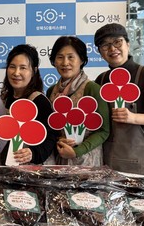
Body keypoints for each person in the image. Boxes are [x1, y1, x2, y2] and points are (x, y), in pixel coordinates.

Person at [94, 23, 144, 175]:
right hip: (108, 162)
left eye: (117, 42)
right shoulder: (101, 80)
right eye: (105, 45)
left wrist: (133, 117)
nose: (112, 48)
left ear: (127, 44)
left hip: (142, 164)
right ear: (100, 52)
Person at [46, 36, 110, 166]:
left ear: (81, 60)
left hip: (87, 160)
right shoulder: (52, 91)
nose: (65, 63)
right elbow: (52, 127)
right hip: (59, 159)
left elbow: (104, 131)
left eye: (71, 57)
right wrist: (59, 139)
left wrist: (77, 151)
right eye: (60, 57)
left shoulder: (92, 89)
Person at [0, 44, 56, 165]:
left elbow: (51, 138)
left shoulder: (39, 101)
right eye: (12, 67)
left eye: (23, 68)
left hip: (32, 170)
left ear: (34, 71)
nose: (16, 73)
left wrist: (33, 153)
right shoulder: (3, 99)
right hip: (5, 168)